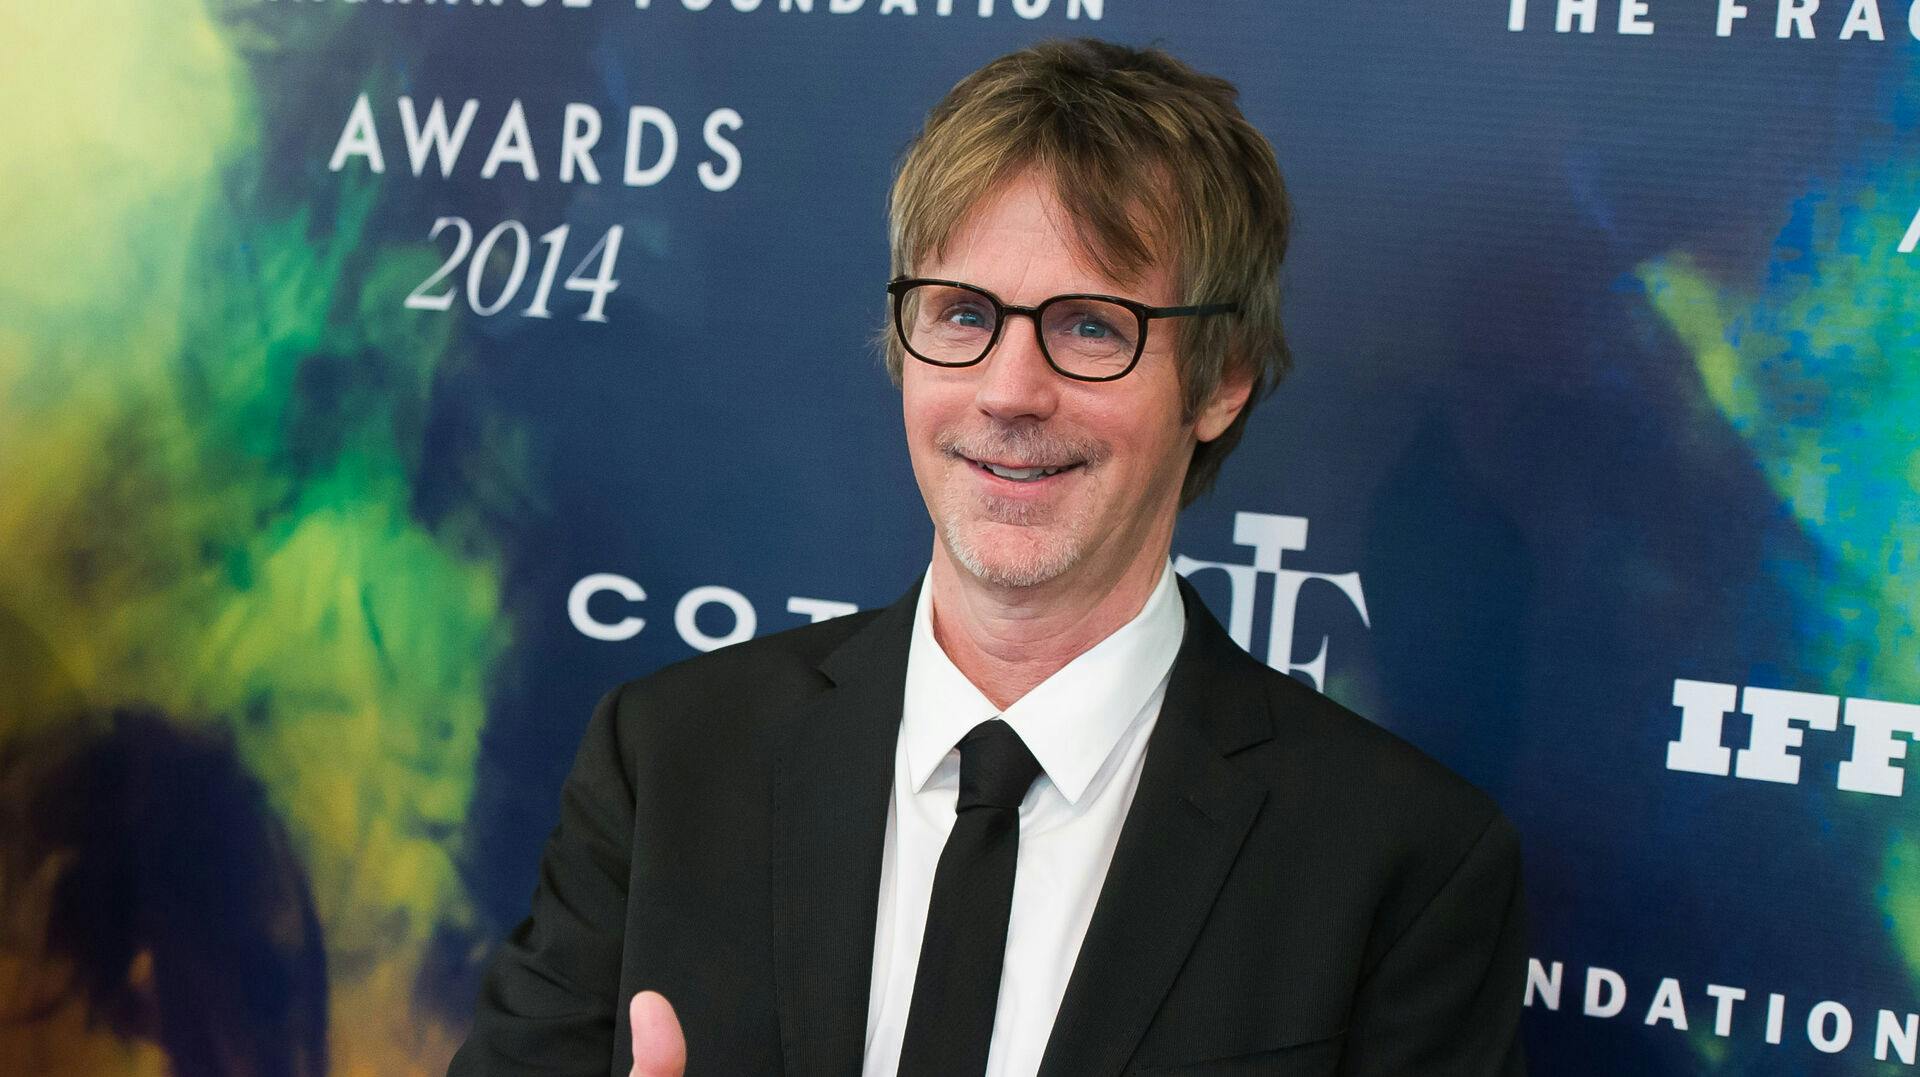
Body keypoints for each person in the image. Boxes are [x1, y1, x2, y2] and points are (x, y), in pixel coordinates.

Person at [450, 38, 1527, 1077]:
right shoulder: (669, 761)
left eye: (1093, 327)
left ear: (1221, 379)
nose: (1010, 391)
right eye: (963, 314)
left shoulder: (1403, 864)